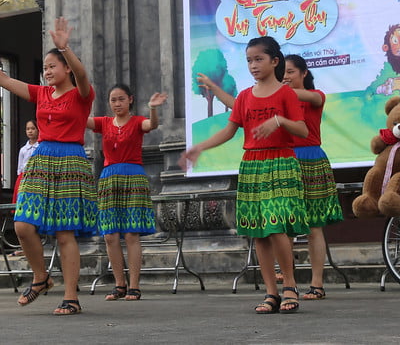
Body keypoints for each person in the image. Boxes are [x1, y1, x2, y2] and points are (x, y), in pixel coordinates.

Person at [0, 17, 97, 315]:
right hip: (41, 161)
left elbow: (83, 76)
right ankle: (41, 277)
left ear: (66, 68)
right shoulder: (41, 93)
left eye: (53, 66)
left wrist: (66, 48)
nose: (47, 71)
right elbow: (3, 79)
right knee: (22, 225)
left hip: (70, 160)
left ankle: (71, 296)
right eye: (45, 67)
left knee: (65, 233)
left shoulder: (81, 94)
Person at [181, 36, 309, 314]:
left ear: (275, 61)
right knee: (259, 233)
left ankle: (289, 285)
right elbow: (229, 131)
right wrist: (199, 147)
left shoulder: (286, 94)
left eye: (258, 59)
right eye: (249, 60)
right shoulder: (244, 97)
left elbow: (302, 130)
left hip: (281, 161)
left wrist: (279, 121)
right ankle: (271, 292)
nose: (253, 65)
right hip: (252, 165)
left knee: (276, 227)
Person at [87, 84, 167, 301]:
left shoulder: (137, 121)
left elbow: (153, 124)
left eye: (121, 99)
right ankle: (119, 284)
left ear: (130, 100)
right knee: (110, 235)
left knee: (131, 233)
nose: (117, 104)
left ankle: (134, 285)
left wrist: (152, 107)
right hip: (109, 177)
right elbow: (82, 119)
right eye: (113, 100)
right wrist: (79, 96)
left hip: (133, 176)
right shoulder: (104, 122)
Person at [283, 55, 343, 300]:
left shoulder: (315, 96)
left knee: (314, 227)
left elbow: (310, 97)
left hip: (311, 160)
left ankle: (317, 284)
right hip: (285, 161)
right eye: (282, 73)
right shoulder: (280, 99)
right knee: (284, 227)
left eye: (290, 72)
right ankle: (289, 283)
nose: (285, 77)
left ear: (303, 73)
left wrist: (274, 90)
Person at [10, 120, 39, 257]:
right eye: (28, 129)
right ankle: (23, 246)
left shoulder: (41, 147)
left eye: (33, 128)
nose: (30, 131)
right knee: (21, 214)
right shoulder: (23, 149)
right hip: (23, 179)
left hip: (37, 178)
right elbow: (20, 168)